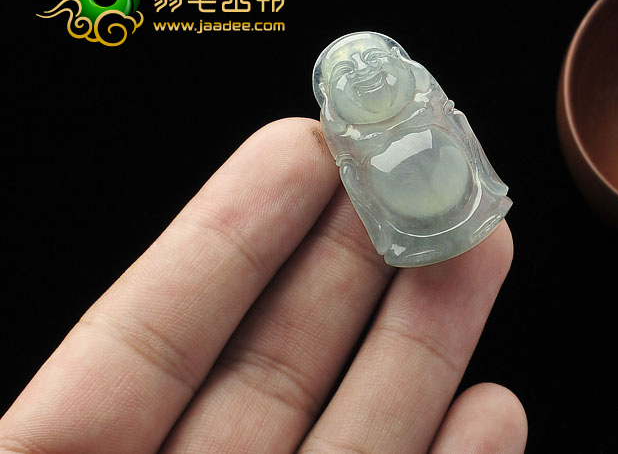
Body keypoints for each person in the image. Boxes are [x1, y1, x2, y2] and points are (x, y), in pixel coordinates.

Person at [0, 118, 527, 453]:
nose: (367, 76)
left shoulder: (430, 115)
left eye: (376, 64)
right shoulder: (356, 149)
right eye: (350, 72)